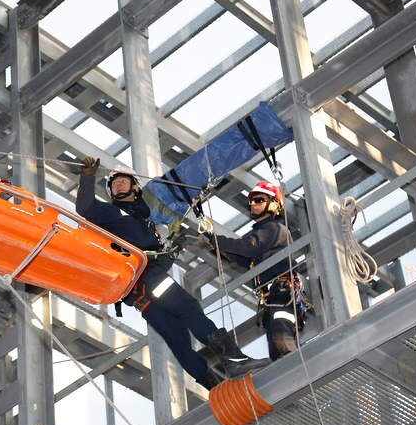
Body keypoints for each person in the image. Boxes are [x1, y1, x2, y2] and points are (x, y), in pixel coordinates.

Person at [76, 157, 270, 390]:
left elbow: (157, 256)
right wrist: (87, 177)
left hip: (140, 294)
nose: (117, 185)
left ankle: (216, 386)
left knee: (177, 338)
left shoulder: (145, 221)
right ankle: (234, 361)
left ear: (135, 186)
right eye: (114, 183)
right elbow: (85, 207)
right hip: (145, 278)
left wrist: (167, 250)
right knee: (189, 308)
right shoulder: (110, 213)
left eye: (122, 181)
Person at [204, 180, 307, 361]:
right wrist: (212, 241)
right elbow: (243, 259)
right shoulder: (261, 233)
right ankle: (286, 374)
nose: (253, 204)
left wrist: (216, 239)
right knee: (276, 347)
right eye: (251, 201)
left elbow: (248, 248)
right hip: (272, 298)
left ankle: (295, 367)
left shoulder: (274, 229)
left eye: (259, 200)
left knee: (282, 338)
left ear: (274, 204)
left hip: (281, 292)